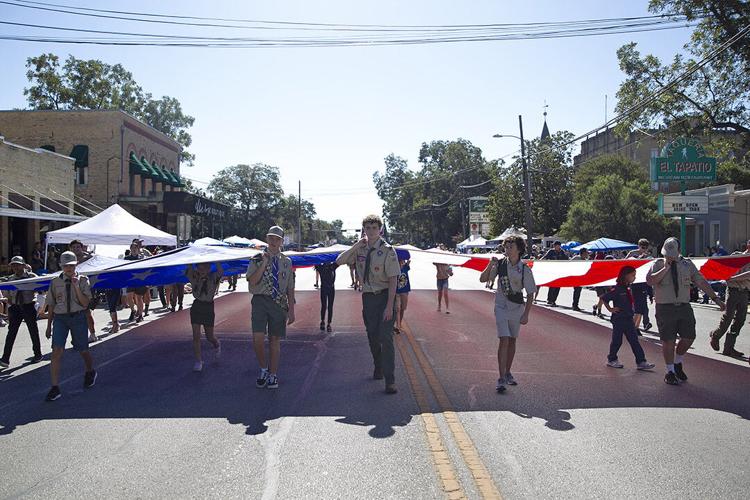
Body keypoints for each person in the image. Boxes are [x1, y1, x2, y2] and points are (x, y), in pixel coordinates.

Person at [647, 237, 725, 386]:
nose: (669, 256)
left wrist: (716, 299)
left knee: (689, 337)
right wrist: (666, 268)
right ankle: (670, 371)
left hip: (683, 307)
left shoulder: (687, 264)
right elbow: (650, 280)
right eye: (667, 253)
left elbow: (701, 282)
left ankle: (677, 362)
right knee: (668, 340)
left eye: (672, 253)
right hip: (665, 308)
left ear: (679, 251)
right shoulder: (657, 264)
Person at [336, 214, 400, 394]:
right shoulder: (360, 250)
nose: (371, 231)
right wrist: (356, 245)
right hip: (369, 298)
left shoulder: (387, 250)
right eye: (368, 228)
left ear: (380, 229)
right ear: (364, 229)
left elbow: (394, 279)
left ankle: (390, 380)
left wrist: (390, 305)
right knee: (373, 337)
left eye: (374, 228)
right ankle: (378, 366)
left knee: (386, 338)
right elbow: (339, 260)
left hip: (385, 296)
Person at [479, 236, 536, 393]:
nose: (508, 249)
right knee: (503, 338)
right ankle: (501, 376)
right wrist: (490, 264)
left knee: (512, 340)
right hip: (501, 306)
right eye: (507, 246)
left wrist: (526, 314)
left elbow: (531, 293)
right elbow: (482, 279)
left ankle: (508, 371)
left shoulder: (524, 269)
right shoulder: (500, 265)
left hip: (517, 308)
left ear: (519, 249)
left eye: (511, 246)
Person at [246, 226, 295, 390]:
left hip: (278, 302)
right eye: (271, 238)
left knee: (274, 339)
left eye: (277, 239)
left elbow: (289, 287)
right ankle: (263, 369)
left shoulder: (286, 262)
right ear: (267, 239)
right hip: (260, 301)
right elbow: (252, 281)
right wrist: (264, 262)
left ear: (282, 241)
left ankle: (273, 374)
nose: (274, 242)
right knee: (257, 338)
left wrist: (292, 311)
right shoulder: (256, 258)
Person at [44, 251, 97, 402]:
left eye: (71, 265)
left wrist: (76, 287)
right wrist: (49, 326)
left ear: (76, 265)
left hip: (78, 317)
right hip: (61, 319)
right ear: (61, 266)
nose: (69, 268)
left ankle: (89, 371)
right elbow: (52, 305)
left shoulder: (82, 280)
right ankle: (54, 387)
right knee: (57, 350)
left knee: (83, 350)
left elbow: (85, 303)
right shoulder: (55, 282)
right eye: (66, 265)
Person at [599, 266, 656, 371]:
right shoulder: (617, 289)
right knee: (617, 341)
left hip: (628, 318)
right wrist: (610, 309)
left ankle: (641, 361)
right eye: (633, 275)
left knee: (634, 340)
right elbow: (604, 298)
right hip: (619, 319)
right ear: (625, 276)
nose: (634, 277)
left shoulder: (628, 288)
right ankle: (611, 359)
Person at [708, 240, 750, 357]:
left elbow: (744, 275)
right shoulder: (736, 256)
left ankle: (729, 347)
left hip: (744, 292)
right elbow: (726, 271)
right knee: (728, 317)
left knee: (740, 320)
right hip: (733, 291)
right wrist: (732, 278)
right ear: (748, 246)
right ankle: (715, 335)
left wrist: (733, 278)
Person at [0, 256, 42, 368]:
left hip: (28, 305)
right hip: (15, 307)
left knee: (33, 331)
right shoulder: (10, 279)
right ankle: (5, 358)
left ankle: (37, 354)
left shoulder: (31, 276)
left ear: (23, 265)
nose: (15, 267)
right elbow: (7, 295)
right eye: (13, 265)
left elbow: (40, 289)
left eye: (17, 264)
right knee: (11, 333)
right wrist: (12, 305)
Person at [186, 262, 223, 372]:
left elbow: (220, 271)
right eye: (200, 267)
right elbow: (188, 267)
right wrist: (193, 258)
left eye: (205, 267)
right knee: (196, 336)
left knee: (209, 336)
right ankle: (199, 360)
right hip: (197, 306)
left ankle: (216, 344)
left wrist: (216, 260)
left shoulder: (213, 277)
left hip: (208, 307)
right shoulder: (194, 276)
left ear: (208, 268)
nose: (202, 269)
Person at [69, 239, 98, 343]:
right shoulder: (68, 259)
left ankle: (93, 334)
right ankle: (76, 337)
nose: (76, 249)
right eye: (74, 247)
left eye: (78, 247)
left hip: (86, 287)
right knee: (74, 313)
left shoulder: (88, 258)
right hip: (73, 287)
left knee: (87, 312)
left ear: (81, 248)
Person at [627, 239, 654, 332]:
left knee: (642, 307)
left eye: (646, 247)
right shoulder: (632, 253)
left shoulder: (648, 256)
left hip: (644, 283)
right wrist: (638, 259)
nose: (644, 249)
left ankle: (637, 327)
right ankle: (632, 327)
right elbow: (625, 264)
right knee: (637, 307)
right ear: (639, 246)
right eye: (642, 247)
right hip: (634, 282)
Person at [542, 241, 568, 306]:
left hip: (560, 272)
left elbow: (567, 259)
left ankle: (554, 300)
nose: (558, 247)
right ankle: (549, 299)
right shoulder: (551, 251)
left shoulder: (562, 252)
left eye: (559, 246)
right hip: (552, 271)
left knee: (558, 286)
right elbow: (544, 258)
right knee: (552, 286)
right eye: (556, 246)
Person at [314, 261, 338, 332]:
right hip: (324, 288)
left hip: (331, 288)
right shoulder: (322, 267)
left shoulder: (332, 266)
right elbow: (315, 262)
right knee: (324, 305)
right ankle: (323, 321)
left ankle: (328, 323)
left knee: (330, 306)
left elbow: (339, 261)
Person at [395, 258, 411, 334]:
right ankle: (397, 326)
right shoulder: (394, 267)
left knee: (402, 308)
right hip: (397, 291)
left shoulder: (405, 267)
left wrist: (408, 262)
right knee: (397, 308)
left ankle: (399, 323)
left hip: (405, 291)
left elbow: (408, 264)